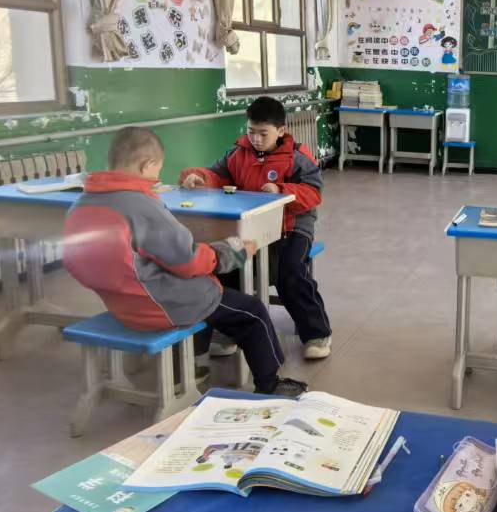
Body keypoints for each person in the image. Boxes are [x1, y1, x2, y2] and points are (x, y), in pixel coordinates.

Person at [63, 126, 305, 398]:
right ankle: (269, 384)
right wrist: (234, 250)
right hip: (161, 305)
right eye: (158, 169)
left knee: (210, 291)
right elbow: (188, 260)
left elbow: (74, 261)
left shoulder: (82, 204)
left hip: (121, 305)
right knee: (251, 311)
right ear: (147, 165)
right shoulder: (141, 205)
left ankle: (194, 364)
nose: (157, 178)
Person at [180, 96, 332, 361]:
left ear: (281, 130)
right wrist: (200, 178)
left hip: (291, 226)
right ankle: (229, 331)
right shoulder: (237, 154)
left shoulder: (297, 157)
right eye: (251, 131)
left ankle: (317, 333)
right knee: (227, 267)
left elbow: (313, 192)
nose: (256, 139)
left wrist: (281, 190)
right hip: (249, 225)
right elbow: (217, 175)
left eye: (263, 133)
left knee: (289, 272)